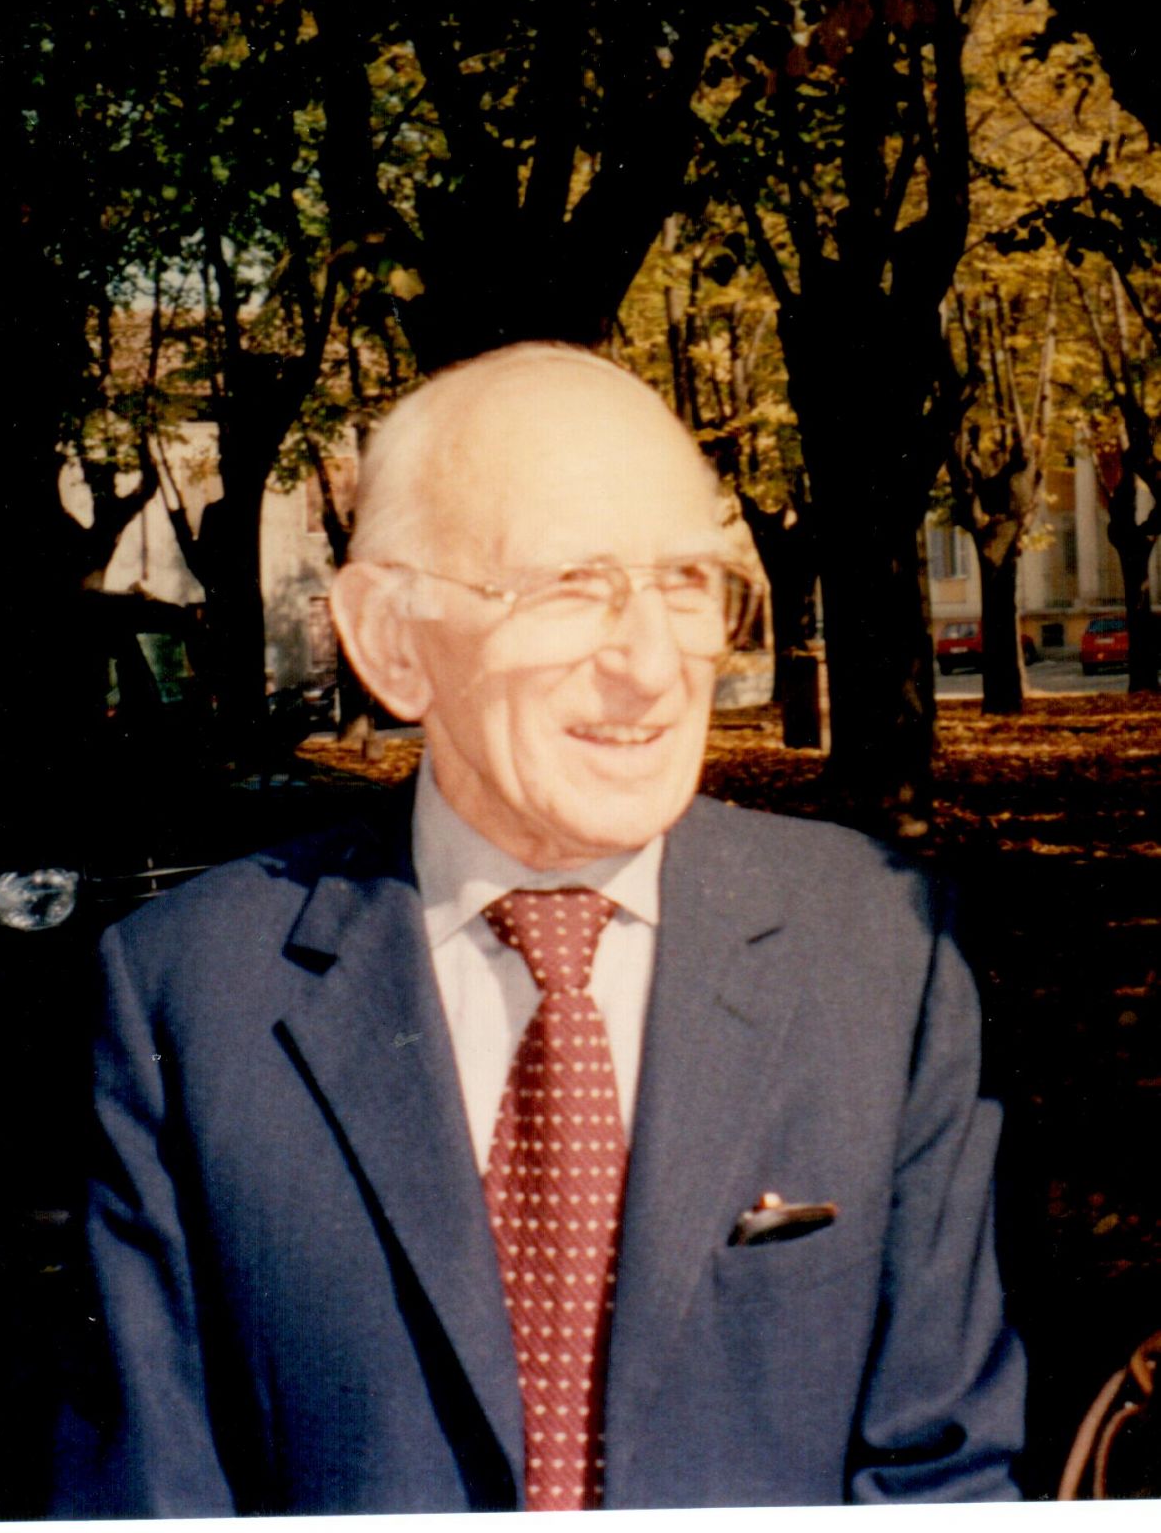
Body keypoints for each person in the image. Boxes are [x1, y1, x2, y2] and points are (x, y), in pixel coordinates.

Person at [57, 343, 1025, 1515]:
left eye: (685, 580)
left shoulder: (880, 952)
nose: (653, 667)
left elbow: (941, 1475)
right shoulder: (190, 991)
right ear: (392, 639)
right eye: (571, 585)